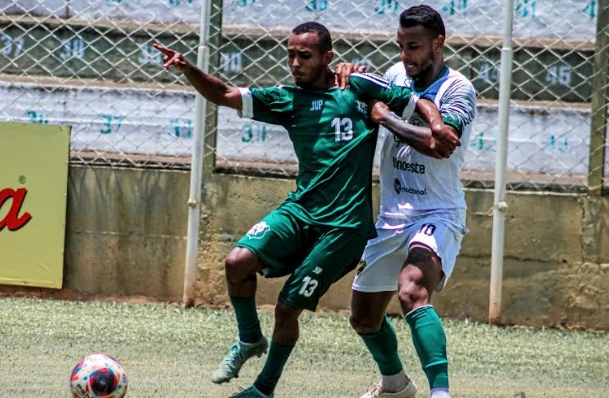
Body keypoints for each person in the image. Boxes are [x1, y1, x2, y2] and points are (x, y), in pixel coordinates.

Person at [155, 21, 457, 398]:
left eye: (305, 55)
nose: (295, 63)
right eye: (291, 55)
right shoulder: (286, 99)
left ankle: (264, 389)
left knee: (287, 308)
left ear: (328, 58)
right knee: (236, 262)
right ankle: (249, 339)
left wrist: (436, 123)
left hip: (344, 226)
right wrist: (188, 68)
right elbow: (226, 94)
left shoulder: (356, 88)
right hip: (300, 211)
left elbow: (418, 102)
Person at [335, 5, 477, 398]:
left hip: (438, 212)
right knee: (363, 318)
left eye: (413, 46)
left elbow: (440, 145)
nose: (405, 56)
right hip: (393, 215)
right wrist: (352, 74)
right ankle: (396, 385)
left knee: (412, 288)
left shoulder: (458, 89)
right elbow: (365, 93)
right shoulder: (397, 76)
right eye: (400, 46)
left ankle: (441, 393)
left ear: (438, 43)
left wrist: (387, 118)